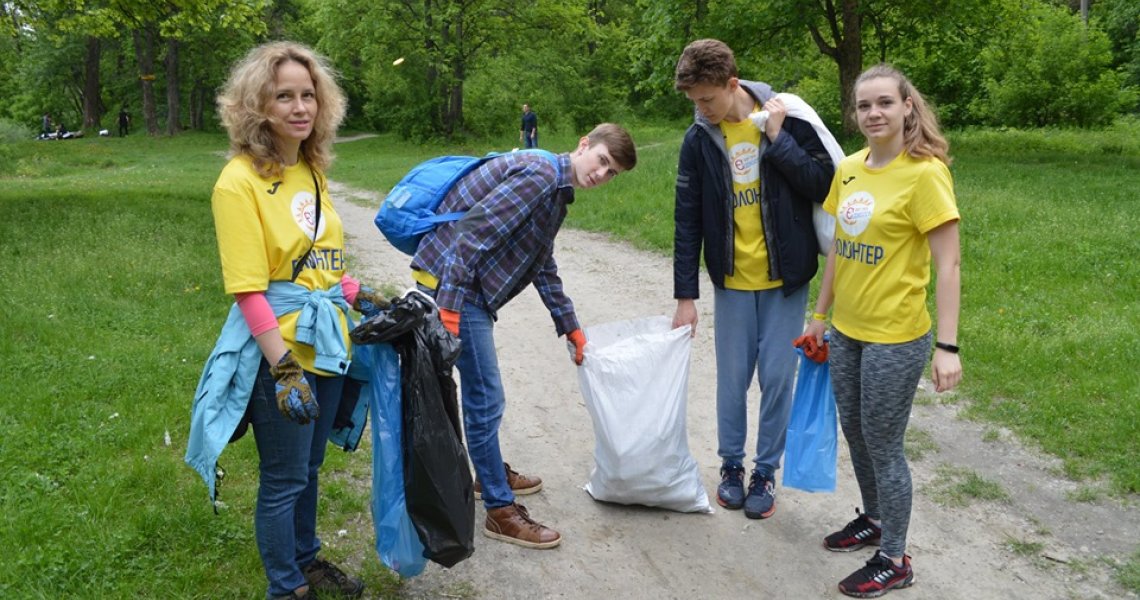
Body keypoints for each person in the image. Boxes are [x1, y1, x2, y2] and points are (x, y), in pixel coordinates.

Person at [194, 41, 385, 600]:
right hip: (279, 355)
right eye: (284, 97)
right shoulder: (238, 181)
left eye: (309, 95)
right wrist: (283, 369)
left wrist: (358, 293)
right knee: (283, 479)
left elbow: (322, 266)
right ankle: (287, 587)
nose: (300, 107)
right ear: (257, 106)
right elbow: (249, 290)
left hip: (326, 345)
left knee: (309, 468)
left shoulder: (312, 169)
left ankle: (305, 559)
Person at [410, 123, 637, 549]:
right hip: (456, 288)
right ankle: (499, 509)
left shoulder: (554, 190)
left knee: (483, 396)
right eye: (603, 161)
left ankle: (488, 471)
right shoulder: (539, 175)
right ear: (584, 144)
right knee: (485, 396)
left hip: (463, 289)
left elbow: (542, 263)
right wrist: (451, 308)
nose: (602, 175)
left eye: (612, 174)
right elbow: (471, 234)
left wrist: (569, 324)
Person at [802, 63, 962, 598]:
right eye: (864, 105)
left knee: (884, 444)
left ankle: (895, 557)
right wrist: (820, 315)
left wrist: (947, 346)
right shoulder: (848, 168)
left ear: (906, 106)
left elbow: (949, 265)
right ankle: (873, 519)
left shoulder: (925, 172)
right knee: (856, 430)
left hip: (897, 334)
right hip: (847, 329)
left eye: (884, 103)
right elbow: (839, 250)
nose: (873, 113)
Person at [671, 39, 836, 520]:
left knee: (779, 379)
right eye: (694, 102)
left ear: (732, 84)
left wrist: (780, 140)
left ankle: (765, 471)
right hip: (732, 281)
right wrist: (686, 295)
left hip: (786, 278)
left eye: (708, 99)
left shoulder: (788, 118)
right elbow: (687, 218)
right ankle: (730, 467)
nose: (701, 110)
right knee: (731, 380)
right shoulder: (699, 138)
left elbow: (824, 183)